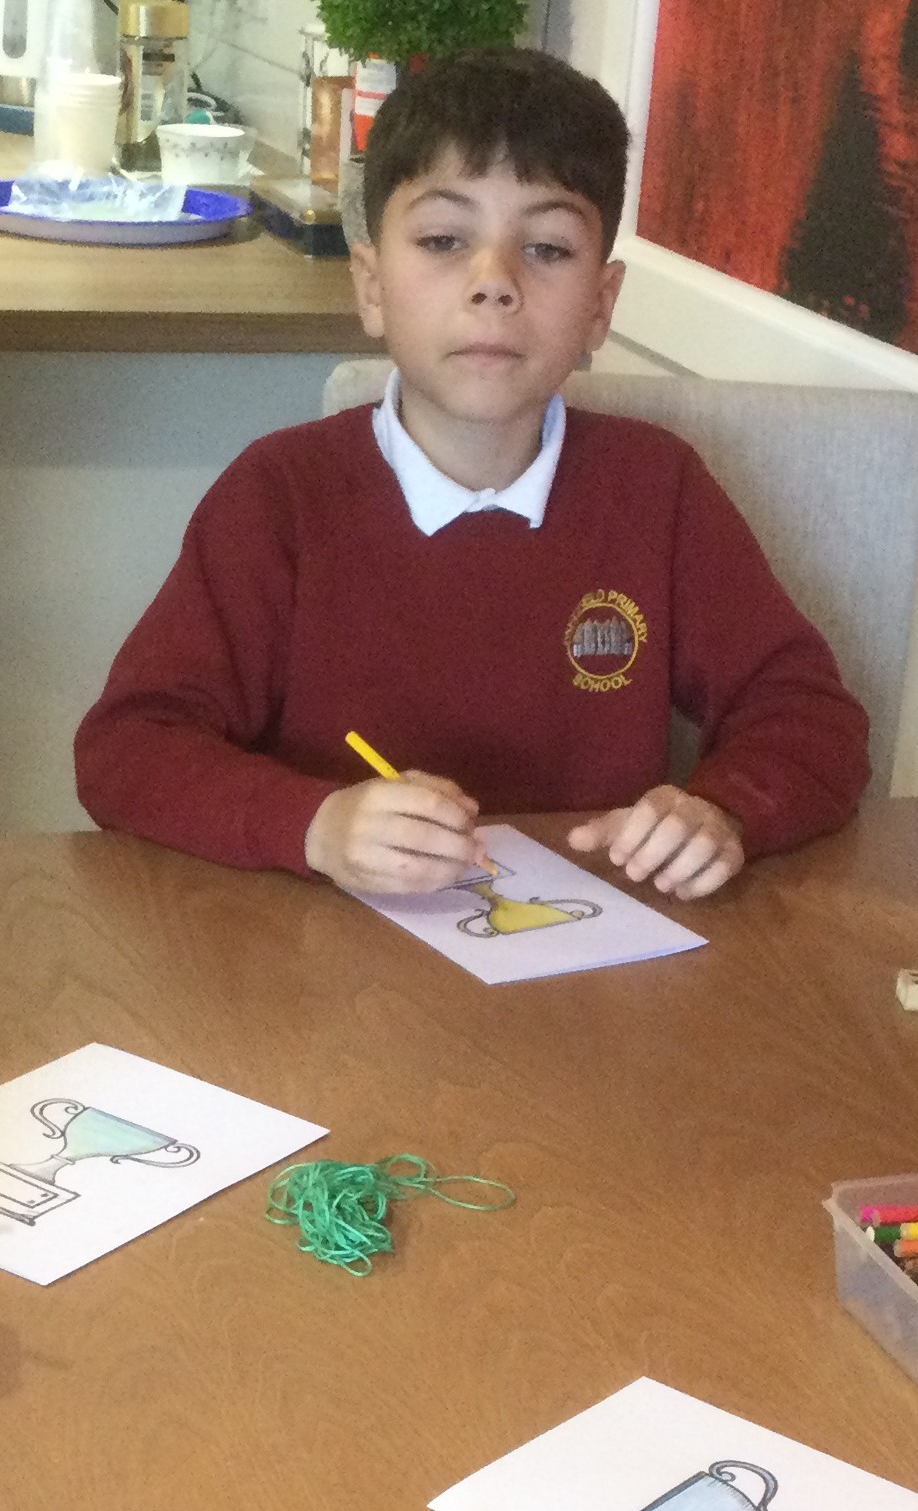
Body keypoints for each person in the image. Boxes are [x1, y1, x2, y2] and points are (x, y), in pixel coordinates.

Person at [74, 46, 869, 903]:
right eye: (445, 240)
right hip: (320, 979)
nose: (493, 283)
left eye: (546, 248)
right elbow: (128, 748)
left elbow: (810, 718)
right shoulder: (279, 498)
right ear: (372, 287)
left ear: (601, 306)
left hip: (588, 977)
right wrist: (312, 824)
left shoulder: (657, 490)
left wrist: (721, 810)